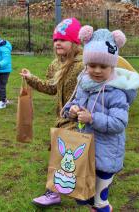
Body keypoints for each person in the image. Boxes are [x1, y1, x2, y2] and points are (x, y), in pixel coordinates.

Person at [63, 26, 139, 212]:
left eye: (103, 66)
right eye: (92, 65)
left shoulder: (117, 93)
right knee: (86, 192)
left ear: (112, 66)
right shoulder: (84, 84)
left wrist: (92, 118)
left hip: (107, 151)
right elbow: (72, 104)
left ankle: (103, 206)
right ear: (86, 65)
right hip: (86, 148)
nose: (97, 70)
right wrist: (71, 110)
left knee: (100, 197)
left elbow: (119, 123)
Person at [20, 17, 84, 207]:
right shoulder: (55, 65)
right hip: (62, 117)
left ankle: (56, 192)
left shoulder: (83, 65)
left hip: (80, 117)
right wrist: (31, 78)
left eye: (63, 40)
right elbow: (51, 88)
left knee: (66, 153)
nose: (57, 43)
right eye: (55, 40)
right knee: (66, 153)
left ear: (74, 43)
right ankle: (56, 192)